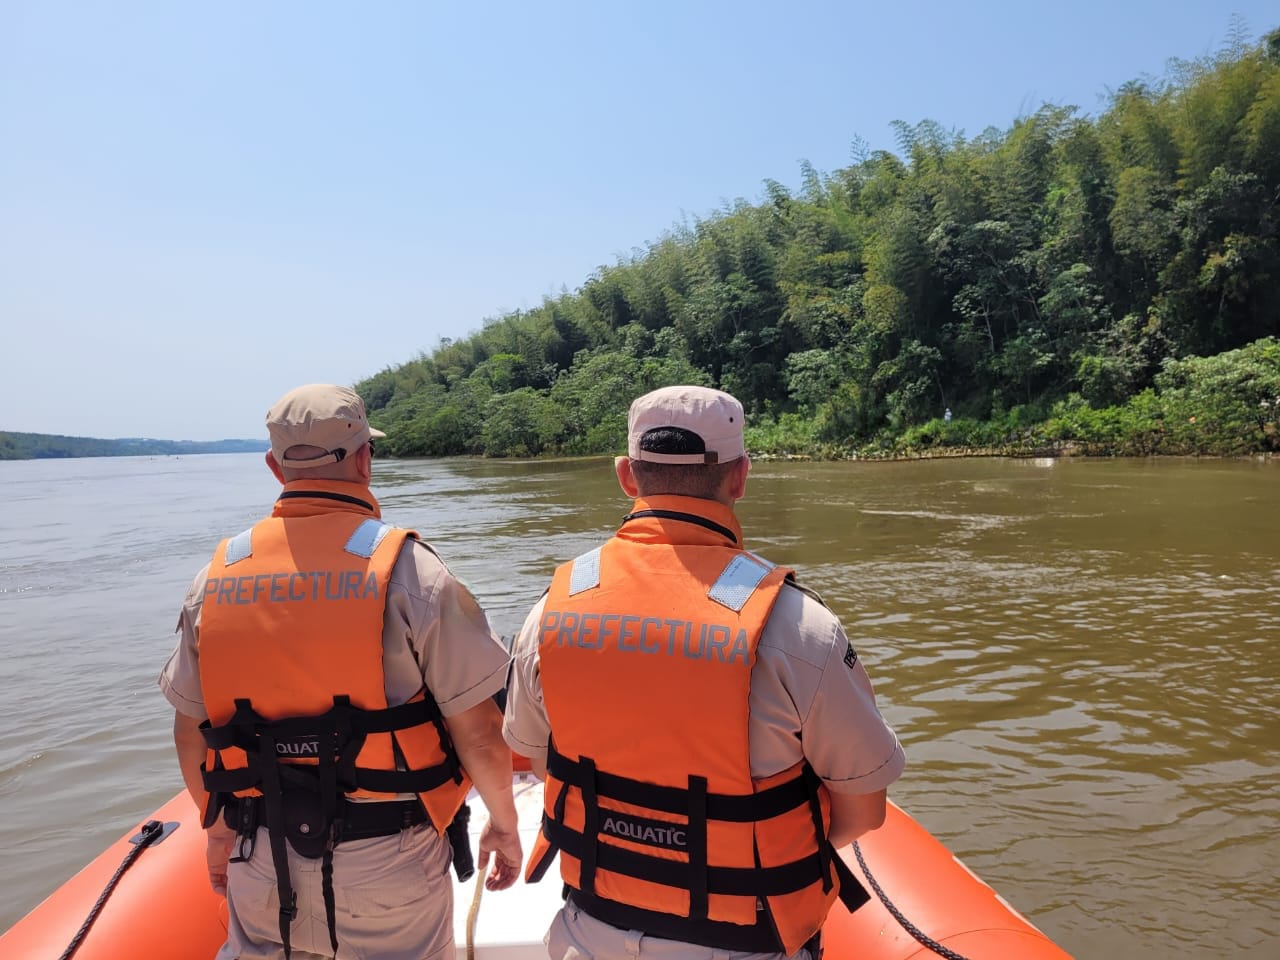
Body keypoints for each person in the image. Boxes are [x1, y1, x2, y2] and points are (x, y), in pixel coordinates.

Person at [503, 385, 905, 960]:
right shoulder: (797, 625)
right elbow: (864, 807)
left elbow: (540, 759)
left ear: (626, 476)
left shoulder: (552, 609)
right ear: (740, 476)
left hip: (591, 930)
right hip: (747, 940)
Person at [159, 383, 521, 960]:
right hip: (388, 864)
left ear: (276, 468)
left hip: (261, 855)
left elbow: (190, 733)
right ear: (363, 459)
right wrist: (504, 824)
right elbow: (478, 732)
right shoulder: (410, 571)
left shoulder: (216, 577)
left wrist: (220, 831)